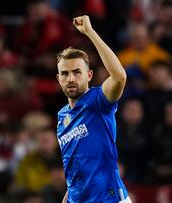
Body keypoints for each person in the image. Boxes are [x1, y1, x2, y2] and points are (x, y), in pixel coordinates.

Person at [56, 15, 130, 203]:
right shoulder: (62, 117)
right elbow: (75, 170)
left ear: (89, 75)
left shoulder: (98, 101)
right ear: (58, 78)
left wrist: (90, 33)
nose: (70, 78)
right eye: (65, 73)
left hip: (109, 198)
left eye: (76, 72)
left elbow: (119, 76)